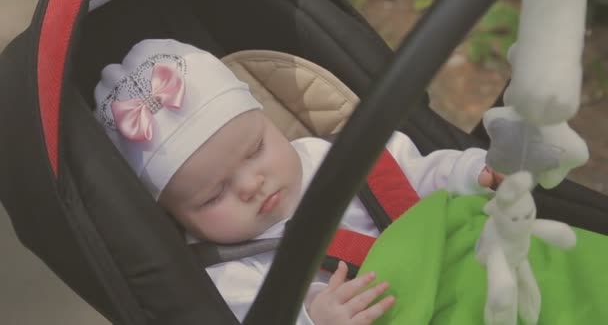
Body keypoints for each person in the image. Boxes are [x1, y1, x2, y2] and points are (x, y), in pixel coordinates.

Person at [94, 39, 502, 325]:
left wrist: (471, 172)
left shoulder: (330, 157)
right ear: (175, 216)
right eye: (214, 194)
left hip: (471, 274)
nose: (251, 184)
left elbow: (420, 174)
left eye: (255, 150)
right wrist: (313, 318)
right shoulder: (228, 274)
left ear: (268, 122)